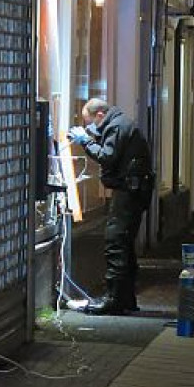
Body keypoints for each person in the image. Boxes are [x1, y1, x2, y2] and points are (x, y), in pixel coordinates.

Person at [68, 98, 154, 315]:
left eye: (93, 122)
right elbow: (114, 148)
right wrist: (94, 136)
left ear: (100, 115)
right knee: (124, 242)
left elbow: (107, 156)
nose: (93, 127)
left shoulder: (116, 126)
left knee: (115, 241)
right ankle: (126, 298)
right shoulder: (121, 124)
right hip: (134, 191)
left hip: (128, 193)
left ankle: (115, 298)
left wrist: (86, 141)